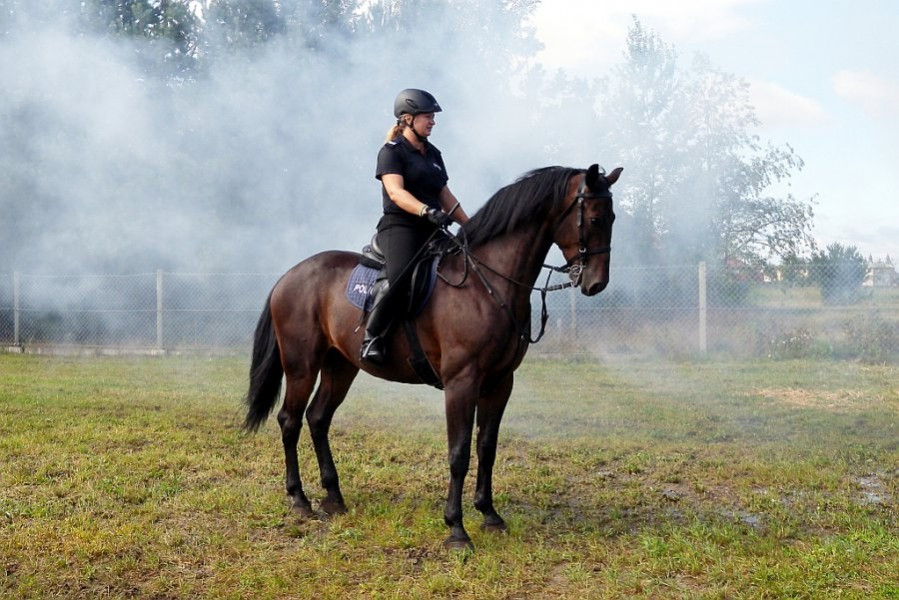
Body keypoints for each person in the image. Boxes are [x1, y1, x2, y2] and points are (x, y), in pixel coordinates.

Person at [360, 88, 469, 364]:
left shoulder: (433, 153)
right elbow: (395, 192)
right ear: (407, 119)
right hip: (400, 228)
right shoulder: (391, 152)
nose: (432, 121)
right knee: (399, 276)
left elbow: (445, 195)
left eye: (433, 117)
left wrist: (472, 226)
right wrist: (425, 211)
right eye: (427, 117)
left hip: (432, 228)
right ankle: (372, 336)